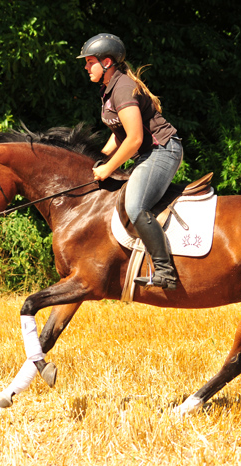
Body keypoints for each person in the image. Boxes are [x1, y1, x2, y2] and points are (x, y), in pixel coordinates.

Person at [77, 33, 183, 290]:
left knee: (135, 207)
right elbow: (119, 134)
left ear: (107, 62)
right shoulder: (109, 89)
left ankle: (165, 271)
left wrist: (108, 168)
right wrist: (98, 160)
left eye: (90, 61)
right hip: (148, 153)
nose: (86, 67)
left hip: (162, 151)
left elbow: (134, 139)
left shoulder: (123, 88)